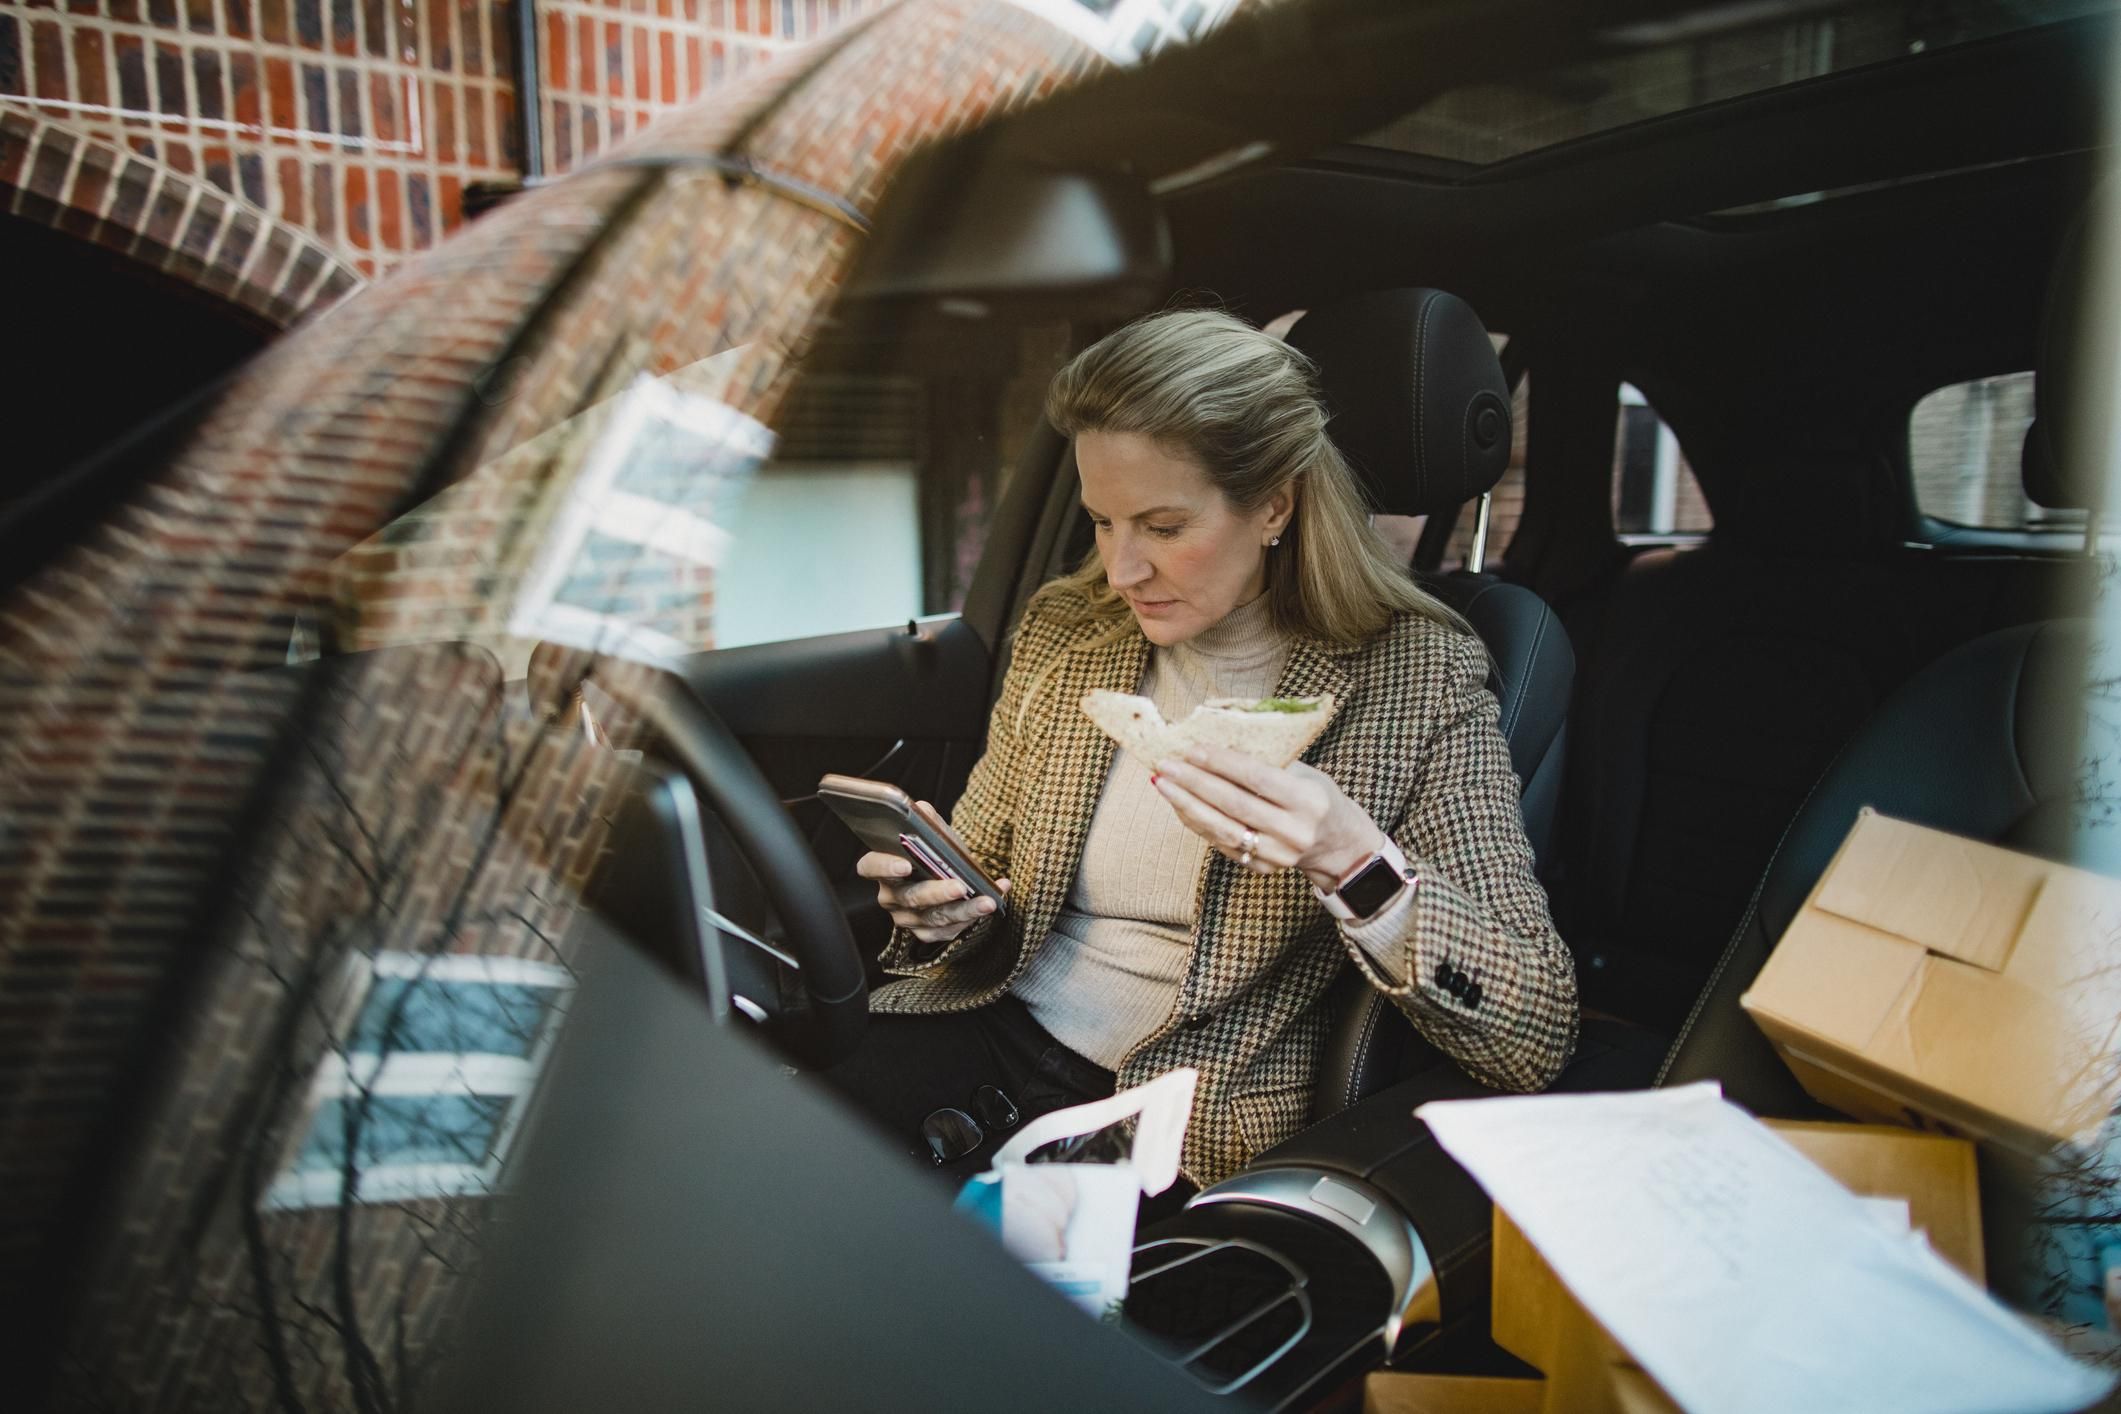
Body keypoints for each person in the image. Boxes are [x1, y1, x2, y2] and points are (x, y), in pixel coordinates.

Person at [821, 308, 1579, 1192]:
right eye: (1103, 522)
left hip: (1179, 1116)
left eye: (1163, 527)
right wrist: (942, 910)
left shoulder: (1417, 677)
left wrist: (1348, 856)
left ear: (1273, 505)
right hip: (983, 1025)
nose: (1119, 571)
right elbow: (987, 868)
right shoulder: (1071, 630)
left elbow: (1535, 1023)